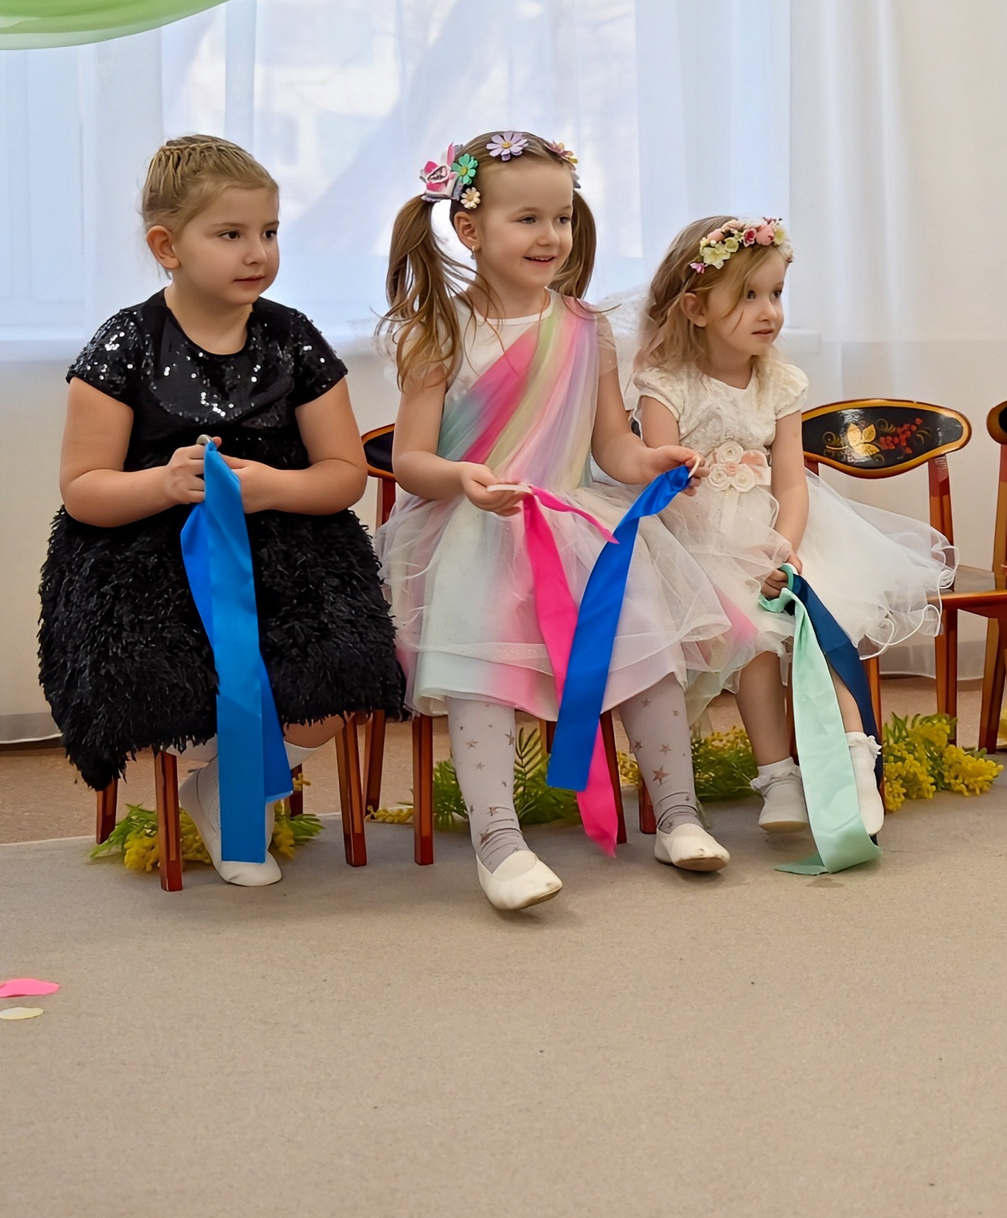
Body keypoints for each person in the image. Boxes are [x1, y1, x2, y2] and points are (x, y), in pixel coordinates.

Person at [374, 131, 734, 910]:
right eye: (527, 219)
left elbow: (610, 444)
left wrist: (653, 459)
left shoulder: (587, 328)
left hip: (572, 520)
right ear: (469, 229)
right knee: (479, 653)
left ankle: (678, 815)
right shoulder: (440, 331)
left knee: (641, 627)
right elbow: (409, 461)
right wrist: (464, 479)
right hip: (471, 526)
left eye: (562, 218)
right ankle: (498, 842)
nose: (551, 236)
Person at [40, 136, 402, 886]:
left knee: (339, 678)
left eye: (269, 233)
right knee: (167, 678)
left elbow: (343, 476)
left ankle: (221, 788)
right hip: (149, 551)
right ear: (166, 246)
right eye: (230, 234)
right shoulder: (123, 345)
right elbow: (83, 488)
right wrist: (162, 485)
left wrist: (271, 484)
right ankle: (221, 781)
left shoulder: (294, 339)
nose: (256, 252)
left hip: (290, 545)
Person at [635, 215, 951, 833]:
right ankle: (777, 777)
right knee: (752, 638)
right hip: (693, 540)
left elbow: (790, 479)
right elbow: (660, 483)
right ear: (696, 308)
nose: (768, 310)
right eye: (749, 295)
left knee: (825, 614)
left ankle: (856, 759)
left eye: (776, 293)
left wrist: (785, 545)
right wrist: (733, 553)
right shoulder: (665, 384)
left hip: (778, 528)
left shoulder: (781, 381)